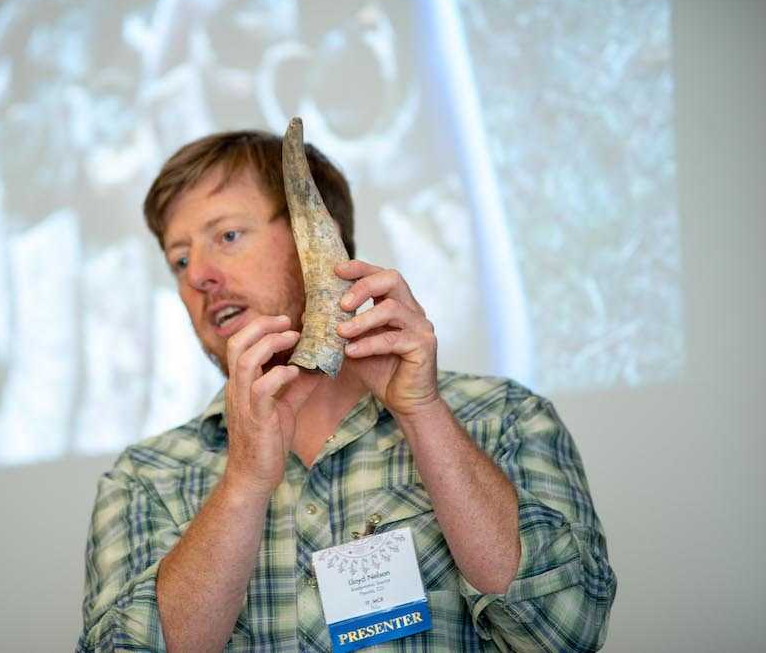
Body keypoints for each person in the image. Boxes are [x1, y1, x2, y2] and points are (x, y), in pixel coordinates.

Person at [76, 131, 616, 652]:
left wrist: (422, 413)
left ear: (319, 237)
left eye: (228, 236)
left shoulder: (503, 418)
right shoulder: (146, 479)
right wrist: (243, 481)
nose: (199, 276)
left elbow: (565, 633)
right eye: (180, 259)